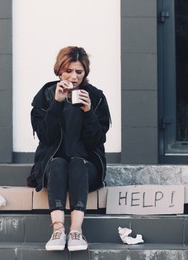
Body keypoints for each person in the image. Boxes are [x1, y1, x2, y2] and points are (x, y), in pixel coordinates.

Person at [29, 46, 111, 251]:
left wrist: (89, 112)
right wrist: (56, 104)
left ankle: (76, 231)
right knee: (58, 163)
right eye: (68, 71)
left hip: (86, 167)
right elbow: (45, 137)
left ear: (85, 73)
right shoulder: (45, 96)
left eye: (79, 72)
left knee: (76, 162)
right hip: (52, 167)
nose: (74, 77)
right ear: (59, 71)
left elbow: (98, 140)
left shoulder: (96, 97)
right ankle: (58, 230)